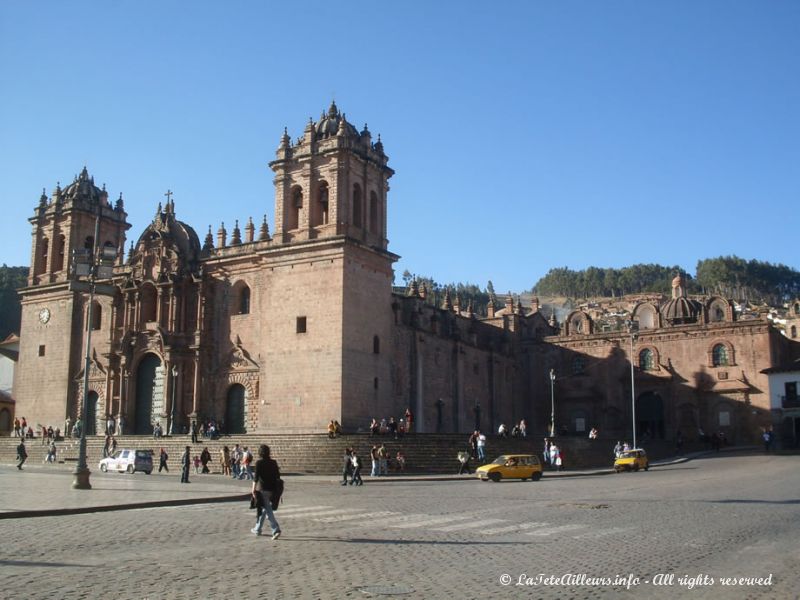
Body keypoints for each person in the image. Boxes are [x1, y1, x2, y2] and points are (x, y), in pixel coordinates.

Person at [250, 444, 281, 539]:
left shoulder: (259, 463)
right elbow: (278, 476)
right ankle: (257, 528)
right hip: (273, 489)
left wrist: (253, 489)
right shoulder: (273, 462)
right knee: (264, 509)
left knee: (267, 509)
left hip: (263, 489)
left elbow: (255, 478)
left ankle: (275, 529)